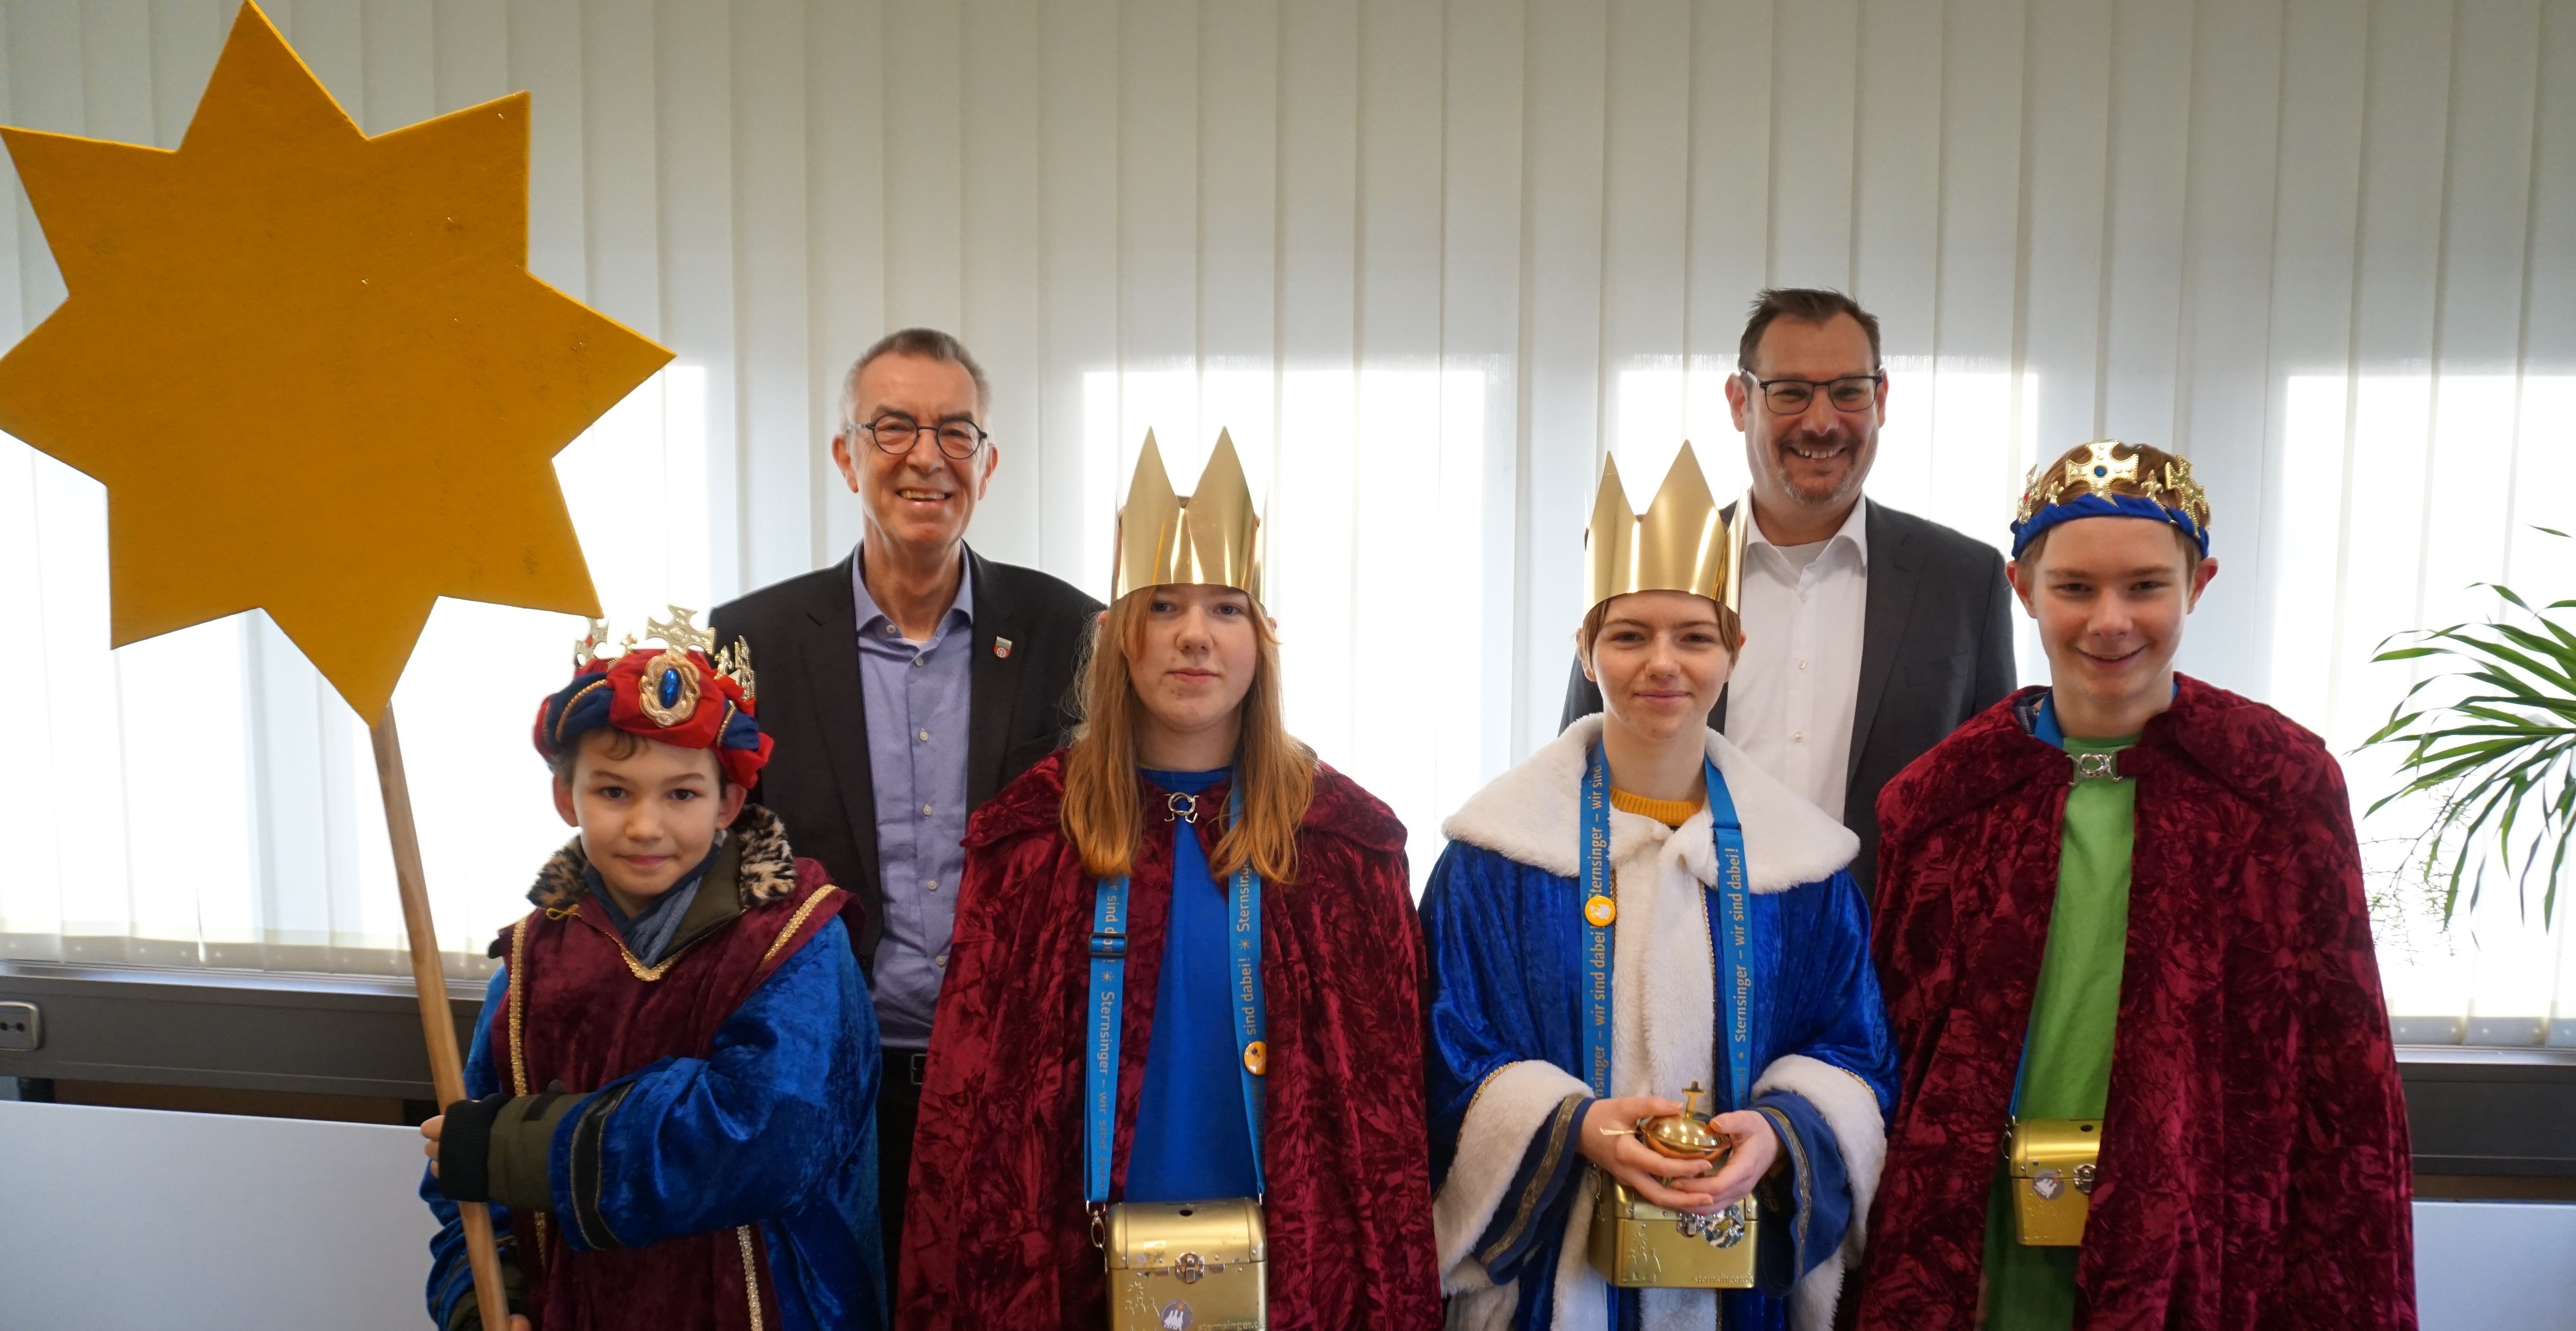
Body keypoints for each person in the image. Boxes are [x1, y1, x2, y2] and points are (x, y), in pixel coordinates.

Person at [1855, 443, 2414, 1329]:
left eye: (2145, 586)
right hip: (1981, 1251)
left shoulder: (2277, 787)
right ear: (2022, 587)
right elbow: (1887, 1060)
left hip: (2200, 1240)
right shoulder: (1941, 802)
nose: (2109, 621)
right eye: (2075, 587)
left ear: (2199, 584)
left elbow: (2346, 1081)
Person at [897, 431, 1442, 1330]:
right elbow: (973, 1133)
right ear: (1117, 637)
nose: (1194, 636)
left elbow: (1382, 1132)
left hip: (1290, 1265)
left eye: (1227, 609)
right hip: (1081, 1266)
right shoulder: (1031, 842)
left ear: (1262, 640)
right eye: (1164, 608)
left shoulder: (1345, 847)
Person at [1426, 445, 1898, 1331]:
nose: (1662, 665)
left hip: (1735, 1278)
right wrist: (1576, 1125)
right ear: (1585, 646)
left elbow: (1854, 1053)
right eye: (1629, 635)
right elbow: (1448, 1053)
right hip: (1546, 1288)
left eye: (1694, 636)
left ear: (1736, 648)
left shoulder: (1799, 868)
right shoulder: (1494, 862)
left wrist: (1780, 1130)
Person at [709, 327, 1101, 1276]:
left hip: (1015, 1084)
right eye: (894, 428)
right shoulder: (751, 641)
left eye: (955, 432)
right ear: (847, 456)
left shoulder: (1072, 632)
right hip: (828, 1080)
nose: (927, 457)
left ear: (988, 463)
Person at [418, 613, 884, 1331]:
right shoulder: (533, 961)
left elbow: (769, 1137)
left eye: (681, 793)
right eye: (613, 791)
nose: (645, 825)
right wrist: (487, 1296)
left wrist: (525, 1145)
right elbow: (465, 1165)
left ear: (730, 800)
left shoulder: (795, 941)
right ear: (565, 795)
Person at [1561, 288, 2017, 896]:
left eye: (1848, 390)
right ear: (1739, 400)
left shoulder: (1965, 580)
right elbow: (1578, 771)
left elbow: (1996, 798)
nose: (1822, 422)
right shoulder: (1651, 571)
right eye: (1791, 392)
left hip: (1883, 964)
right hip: (1676, 946)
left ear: (1880, 399)